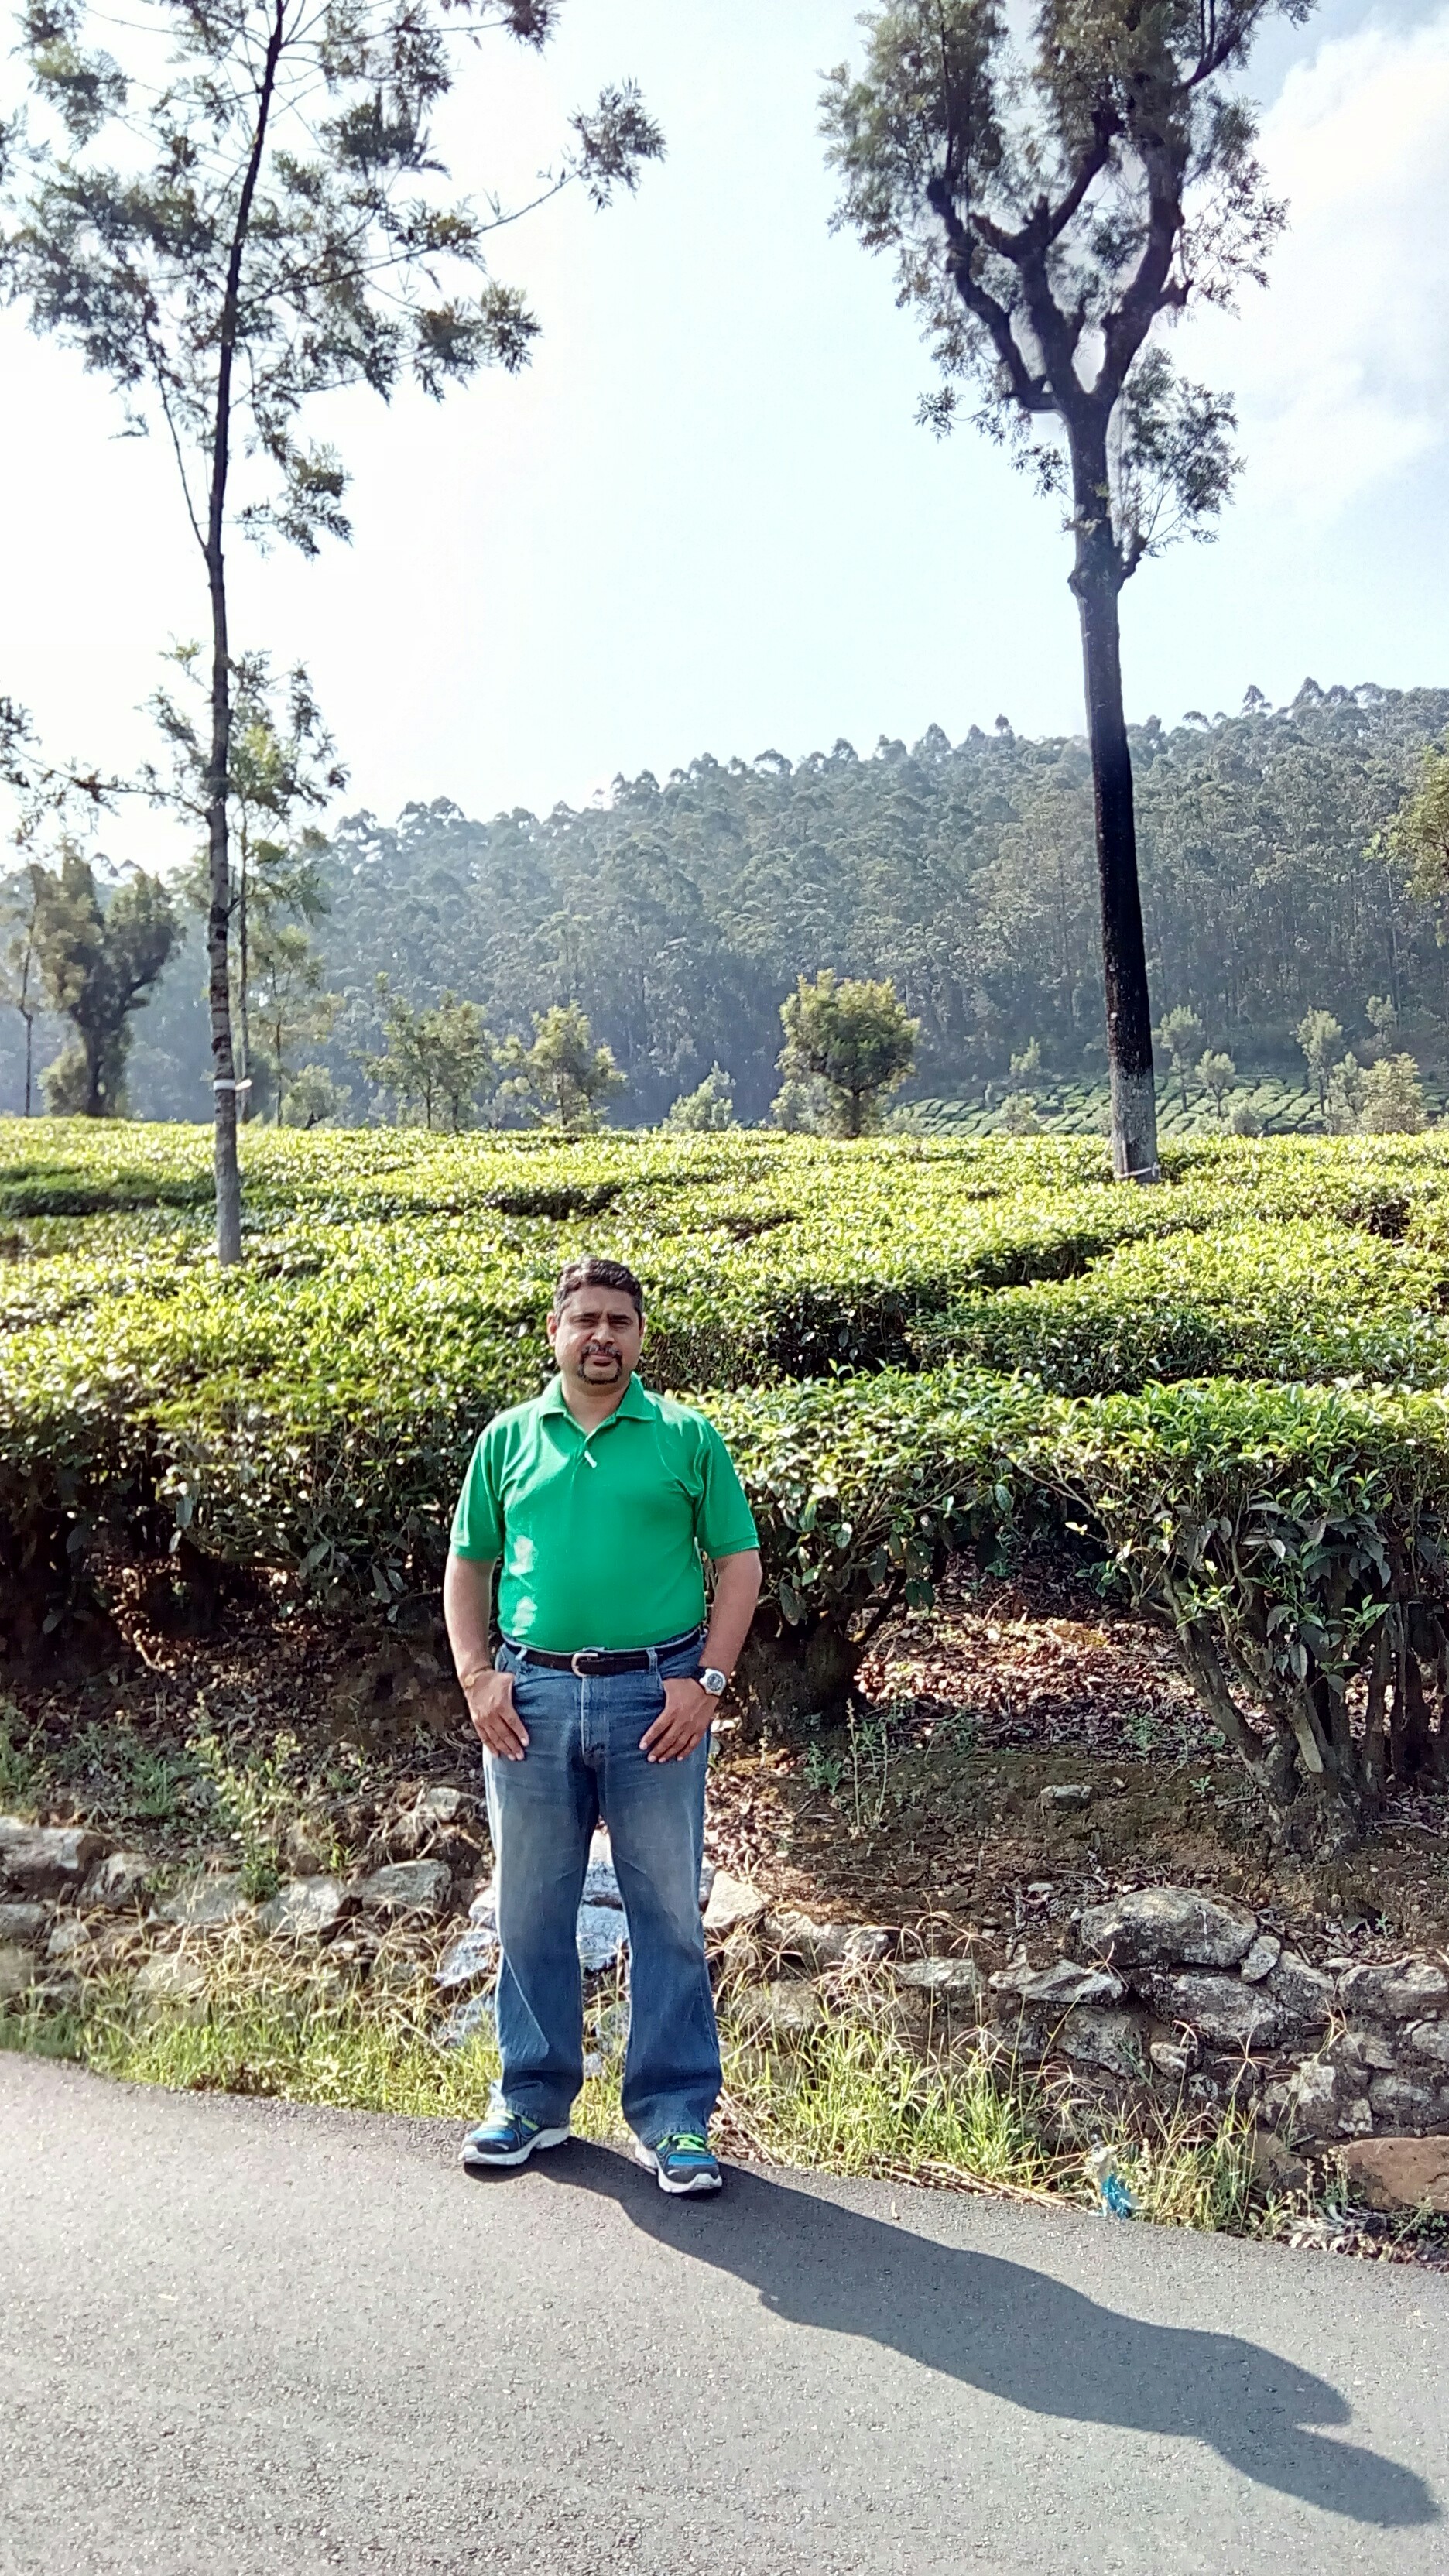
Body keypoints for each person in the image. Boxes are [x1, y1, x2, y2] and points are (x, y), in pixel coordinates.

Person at [443, 1254, 762, 2196]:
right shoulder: (508, 1439)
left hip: (656, 1700)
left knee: (666, 1910)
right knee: (529, 1906)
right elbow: (469, 1565)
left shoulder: (684, 1437)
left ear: (640, 1334)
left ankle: (675, 2116)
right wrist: (476, 1678)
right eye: (585, 1319)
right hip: (531, 1701)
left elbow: (739, 1563)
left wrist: (707, 1682)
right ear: (556, 1331)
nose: (602, 1336)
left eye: (619, 1320)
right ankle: (530, 2099)